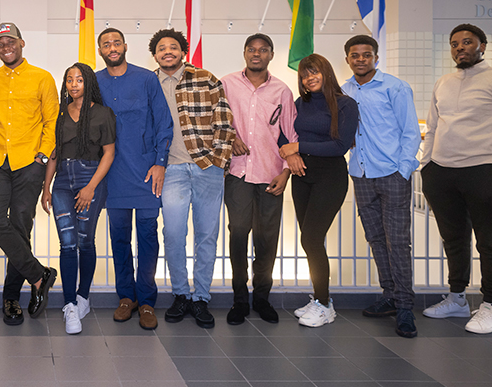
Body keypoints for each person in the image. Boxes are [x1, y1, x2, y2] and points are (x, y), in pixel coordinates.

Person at [420, 23, 492, 334]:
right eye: (454, 44)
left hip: (483, 172)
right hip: (441, 172)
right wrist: (427, 165)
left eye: (466, 42)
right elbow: (434, 127)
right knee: (454, 240)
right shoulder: (444, 82)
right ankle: (457, 298)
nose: (460, 48)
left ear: (482, 46)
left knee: (489, 242)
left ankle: (490, 305)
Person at [0, 22, 59, 326]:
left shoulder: (42, 78)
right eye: (0, 43)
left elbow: (52, 121)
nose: (5, 46)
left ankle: (11, 298)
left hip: (29, 163)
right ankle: (39, 275)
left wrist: (43, 156)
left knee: (20, 227)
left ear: (22, 43)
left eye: (10, 41)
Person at [151, 29, 235, 330]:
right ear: (155, 54)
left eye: (173, 47)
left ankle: (201, 297)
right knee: (173, 235)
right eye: (162, 48)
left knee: (206, 236)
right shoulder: (150, 83)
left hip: (206, 168)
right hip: (170, 170)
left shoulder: (206, 78)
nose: (167, 52)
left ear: (182, 51)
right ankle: (180, 294)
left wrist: (217, 161)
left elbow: (224, 121)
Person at [342, 35, 421, 339]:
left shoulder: (395, 87)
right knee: (375, 238)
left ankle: (404, 307)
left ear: (375, 57)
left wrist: (403, 170)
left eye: (366, 55)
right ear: (347, 59)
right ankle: (389, 295)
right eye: (355, 55)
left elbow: (410, 131)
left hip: (392, 174)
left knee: (397, 242)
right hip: (361, 174)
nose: (360, 59)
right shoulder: (345, 90)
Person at [96, 28, 173, 330]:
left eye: (116, 42)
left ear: (125, 46)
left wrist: (160, 163)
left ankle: (148, 301)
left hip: (145, 173)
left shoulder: (146, 79)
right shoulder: (95, 82)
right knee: (118, 238)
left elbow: (164, 124)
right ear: (100, 50)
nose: (112, 47)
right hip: (111, 174)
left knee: (148, 237)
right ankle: (126, 298)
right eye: (106, 44)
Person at [221, 33, 297, 325]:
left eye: (263, 50)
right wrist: (231, 138)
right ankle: (239, 299)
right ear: (244, 53)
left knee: (267, 239)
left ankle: (262, 298)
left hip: (271, 174)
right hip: (238, 173)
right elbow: (216, 121)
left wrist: (286, 173)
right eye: (252, 49)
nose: (256, 54)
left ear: (271, 55)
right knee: (238, 235)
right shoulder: (226, 84)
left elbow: (291, 136)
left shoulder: (282, 91)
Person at [280, 54, 358, 328]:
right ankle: (319, 299)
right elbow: (284, 134)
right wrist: (291, 156)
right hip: (302, 176)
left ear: (326, 72)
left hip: (330, 177)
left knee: (312, 239)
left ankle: (325, 304)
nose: (309, 78)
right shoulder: (301, 103)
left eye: (314, 73)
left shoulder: (346, 105)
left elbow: (339, 146)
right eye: (304, 75)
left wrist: (298, 148)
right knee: (308, 240)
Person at [41, 62, 115, 334]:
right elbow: (54, 154)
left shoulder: (103, 114)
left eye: (79, 79)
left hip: (90, 178)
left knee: (85, 240)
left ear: (89, 84)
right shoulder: (59, 114)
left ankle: (83, 296)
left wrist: (91, 187)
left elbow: (109, 153)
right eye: (69, 79)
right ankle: (70, 304)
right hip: (62, 181)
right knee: (67, 242)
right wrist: (46, 187)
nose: (73, 84)